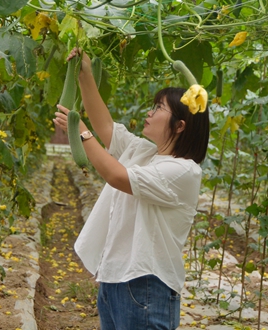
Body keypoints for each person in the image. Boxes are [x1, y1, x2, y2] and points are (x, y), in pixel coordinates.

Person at [53, 48, 210, 330]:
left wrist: (80, 132)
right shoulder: (147, 152)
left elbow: (116, 175)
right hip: (116, 279)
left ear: (180, 126)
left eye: (159, 108)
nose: (149, 112)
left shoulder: (184, 171)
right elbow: (106, 127)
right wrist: (85, 75)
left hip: (147, 284)